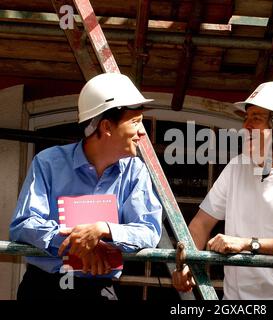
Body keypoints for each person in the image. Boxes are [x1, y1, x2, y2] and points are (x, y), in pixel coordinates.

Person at [10, 73, 163, 300]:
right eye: (135, 122)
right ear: (106, 126)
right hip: (43, 288)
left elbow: (149, 230)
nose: (143, 132)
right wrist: (79, 244)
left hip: (99, 291)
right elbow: (24, 224)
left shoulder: (135, 171)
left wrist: (103, 229)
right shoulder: (48, 162)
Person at [172, 82, 273, 299]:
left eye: (255, 118)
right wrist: (188, 261)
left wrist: (248, 244)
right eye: (246, 118)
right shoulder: (237, 167)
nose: (245, 126)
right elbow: (201, 223)